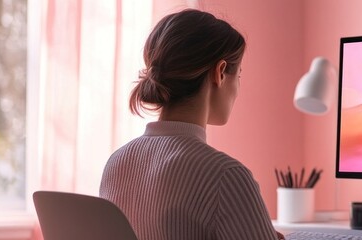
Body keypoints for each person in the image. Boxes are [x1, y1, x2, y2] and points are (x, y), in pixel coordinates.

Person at [100, 9, 283, 240]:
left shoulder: (116, 163)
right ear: (219, 73)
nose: (238, 89)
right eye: (239, 75)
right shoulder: (226, 176)